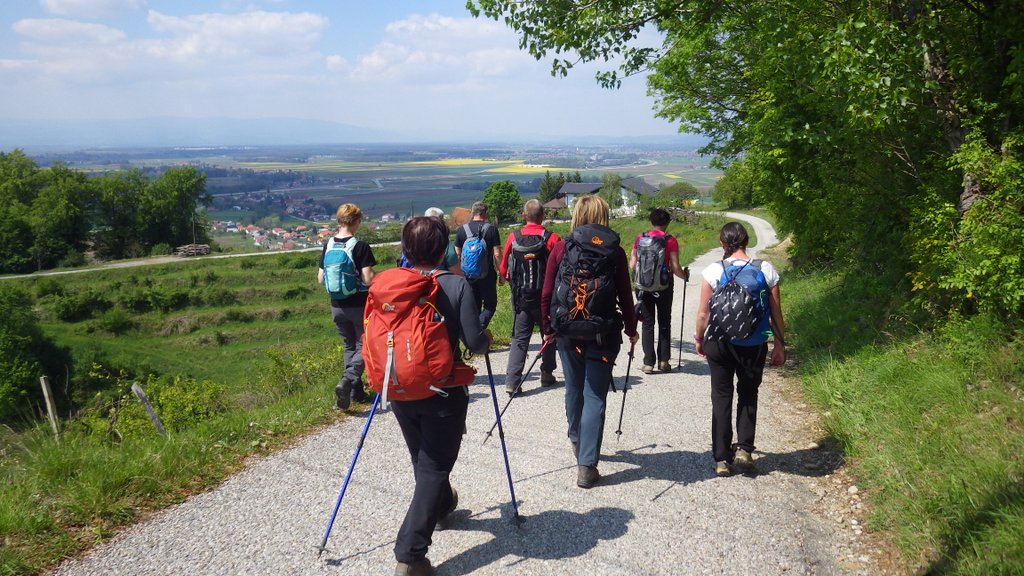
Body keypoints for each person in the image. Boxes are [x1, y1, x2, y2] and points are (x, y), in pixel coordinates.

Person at [390, 216, 492, 576]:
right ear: (444, 248)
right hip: (443, 391)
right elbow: (475, 343)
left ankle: (443, 504)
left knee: (424, 459)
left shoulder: (394, 285)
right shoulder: (455, 284)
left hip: (400, 389)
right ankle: (410, 554)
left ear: (406, 248)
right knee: (433, 466)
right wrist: (487, 337)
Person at [540, 195, 639, 489]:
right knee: (595, 395)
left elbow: (547, 293)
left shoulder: (561, 248)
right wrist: (631, 330)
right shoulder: (615, 252)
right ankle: (586, 466)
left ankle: (576, 440)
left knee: (573, 389)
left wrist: (547, 328)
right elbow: (626, 296)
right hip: (602, 333)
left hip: (567, 332)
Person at [693, 222, 786, 477]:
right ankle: (744, 450)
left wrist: (699, 338)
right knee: (748, 392)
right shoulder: (765, 269)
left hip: (719, 342)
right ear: (746, 241)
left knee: (721, 396)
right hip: (754, 342)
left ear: (722, 244)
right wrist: (779, 344)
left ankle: (722, 459)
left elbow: (702, 313)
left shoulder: (714, 270)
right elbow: (776, 313)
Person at [317, 203, 376, 410]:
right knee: (365, 344)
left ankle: (354, 392)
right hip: (358, 305)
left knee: (349, 346)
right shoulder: (360, 246)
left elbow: (320, 278)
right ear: (356, 221)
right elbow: (368, 279)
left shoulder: (328, 245)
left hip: (336, 305)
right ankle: (348, 379)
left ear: (339, 220)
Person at [499, 199, 561, 394]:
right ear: (542, 216)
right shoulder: (552, 238)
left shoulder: (513, 237)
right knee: (549, 335)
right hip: (546, 300)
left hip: (522, 299)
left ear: (524, 216)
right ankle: (547, 373)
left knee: (520, 339)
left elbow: (503, 269)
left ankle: (512, 381)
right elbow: (561, 268)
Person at [629, 208, 687, 374]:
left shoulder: (640, 238)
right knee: (664, 321)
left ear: (651, 222)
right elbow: (675, 267)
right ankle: (664, 361)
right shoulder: (670, 240)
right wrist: (684, 276)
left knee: (647, 323)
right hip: (664, 285)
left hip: (643, 286)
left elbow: (633, 264)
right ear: (667, 223)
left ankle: (648, 363)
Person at [454, 201, 504, 328]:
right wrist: (502, 273)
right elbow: (497, 254)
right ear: (485, 214)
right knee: (490, 305)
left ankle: (473, 334)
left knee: (474, 307)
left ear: (472, 213)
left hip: (468, 276)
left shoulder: (462, 230)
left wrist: (458, 275)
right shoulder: (491, 229)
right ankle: (479, 330)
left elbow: (457, 254)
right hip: (487, 275)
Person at [422, 207, 461, 275]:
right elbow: (457, 272)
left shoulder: (416, 240)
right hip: (441, 279)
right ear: (441, 222)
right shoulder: (444, 244)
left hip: (419, 279)